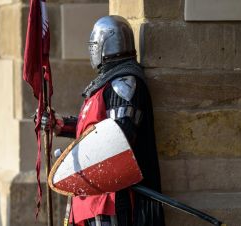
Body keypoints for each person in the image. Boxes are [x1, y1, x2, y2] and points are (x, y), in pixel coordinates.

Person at [41, 15, 165, 226]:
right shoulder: (104, 85)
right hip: (93, 194)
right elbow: (92, 129)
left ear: (105, 45)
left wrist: (78, 158)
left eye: (94, 45)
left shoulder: (124, 83)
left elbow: (117, 137)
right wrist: (60, 125)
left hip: (112, 197)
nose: (91, 50)